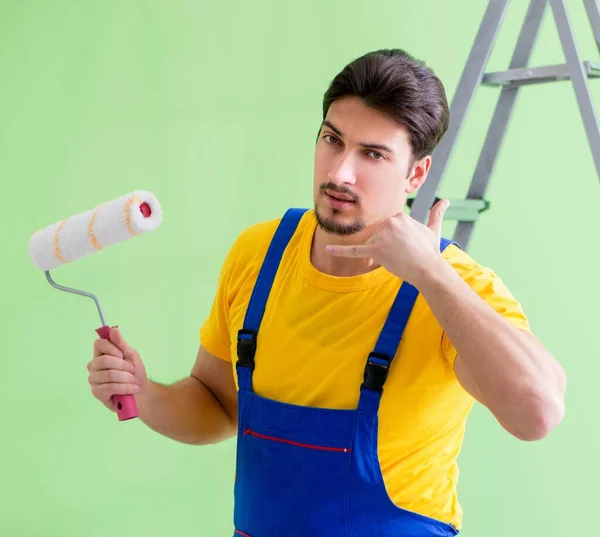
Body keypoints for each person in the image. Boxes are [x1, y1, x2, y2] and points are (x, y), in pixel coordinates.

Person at [87, 49, 567, 536]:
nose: (340, 172)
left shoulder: (455, 286)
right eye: (332, 140)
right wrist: (144, 394)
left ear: (416, 175)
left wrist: (432, 275)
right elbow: (216, 405)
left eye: (373, 154)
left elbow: (538, 413)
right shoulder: (258, 256)